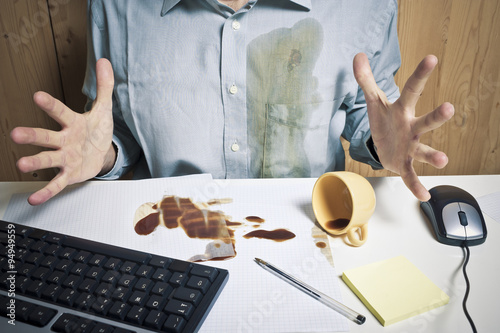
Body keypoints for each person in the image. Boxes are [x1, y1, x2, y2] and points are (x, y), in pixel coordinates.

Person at [11, 0, 454, 206]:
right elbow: (117, 130)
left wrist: (381, 148)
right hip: (164, 236)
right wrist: (105, 158)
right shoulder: (116, 6)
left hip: (310, 237)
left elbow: (368, 118)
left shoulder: (364, 5)